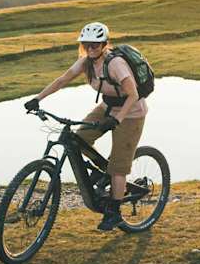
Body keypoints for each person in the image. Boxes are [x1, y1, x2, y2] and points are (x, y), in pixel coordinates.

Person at [24, 22, 146, 232]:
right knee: (78, 140)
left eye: (95, 45)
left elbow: (133, 94)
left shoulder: (115, 64)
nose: (91, 49)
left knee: (118, 167)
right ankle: (101, 173)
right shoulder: (86, 62)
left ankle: (114, 212)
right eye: (87, 45)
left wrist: (117, 120)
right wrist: (37, 98)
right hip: (108, 107)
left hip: (131, 113)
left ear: (104, 44)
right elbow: (62, 80)